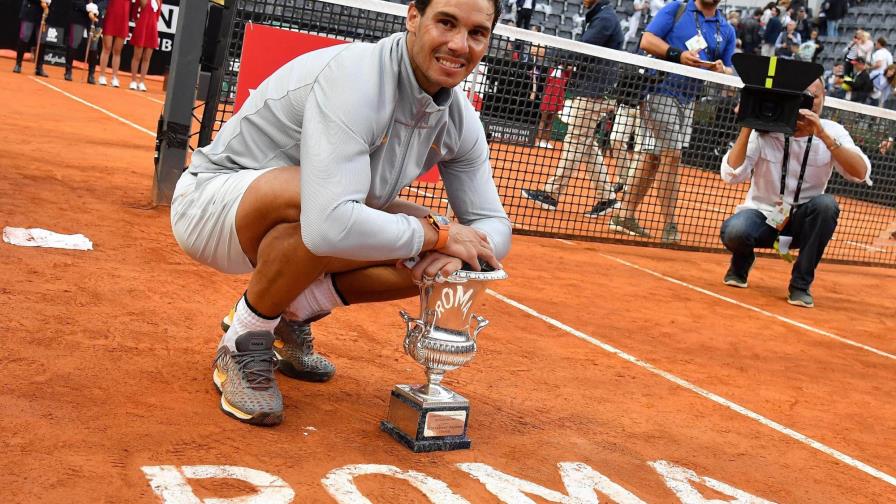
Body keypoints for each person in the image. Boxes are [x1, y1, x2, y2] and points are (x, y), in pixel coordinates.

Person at [169, 0, 511, 426]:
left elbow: (493, 227)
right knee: (374, 216)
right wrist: (440, 234)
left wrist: (453, 246)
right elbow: (329, 220)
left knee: (444, 259)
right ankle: (244, 339)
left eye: (477, 33)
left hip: (319, 219)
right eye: (446, 23)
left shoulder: (460, 119)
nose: (459, 44)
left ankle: (292, 311)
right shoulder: (357, 79)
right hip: (211, 207)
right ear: (413, 17)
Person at [719, 78, 871, 308]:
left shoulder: (833, 131)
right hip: (764, 215)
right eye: (802, 96)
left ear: (824, 99)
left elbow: (861, 173)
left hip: (802, 222)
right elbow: (731, 175)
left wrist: (823, 137)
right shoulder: (767, 128)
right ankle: (742, 260)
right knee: (734, 232)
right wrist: (748, 123)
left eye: (814, 96)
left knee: (826, 205)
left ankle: (800, 286)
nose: (808, 102)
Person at [610, 0, 736, 242]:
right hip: (659, 89)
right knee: (672, 154)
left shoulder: (726, 29)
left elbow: (730, 70)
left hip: (689, 99)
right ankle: (670, 225)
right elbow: (647, 40)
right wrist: (678, 55)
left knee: (652, 157)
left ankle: (623, 215)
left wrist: (722, 70)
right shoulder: (676, 9)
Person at [520, 0, 624, 218]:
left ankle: (551, 193)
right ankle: (607, 197)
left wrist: (547, 53)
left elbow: (581, 50)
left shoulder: (604, 19)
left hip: (594, 92)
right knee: (586, 144)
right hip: (592, 89)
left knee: (576, 140)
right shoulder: (600, 16)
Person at [128, 0, 162, 91]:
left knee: (147, 57)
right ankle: (133, 81)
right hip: (142, 27)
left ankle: (142, 82)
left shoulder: (159, 0)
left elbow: (157, 16)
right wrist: (139, 23)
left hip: (152, 28)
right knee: (137, 56)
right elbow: (134, 14)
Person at [64, 0, 100, 81]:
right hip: (79, 15)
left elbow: (105, 2)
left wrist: (96, 8)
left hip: (96, 15)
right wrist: (87, 7)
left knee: (93, 45)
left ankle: (91, 74)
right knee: (74, 42)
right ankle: (68, 71)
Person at [13, 0, 50, 77]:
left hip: (44, 11)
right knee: (25, 36)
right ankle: (18, 64)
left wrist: (47, 3)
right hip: (30, 10)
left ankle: (39, 68)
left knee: (42, 39)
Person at [97, 0, 130, 87]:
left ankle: (115, 77)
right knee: (107, 48)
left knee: (117, 50)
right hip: (110, 18)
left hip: (123, 20)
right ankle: (102, 76)